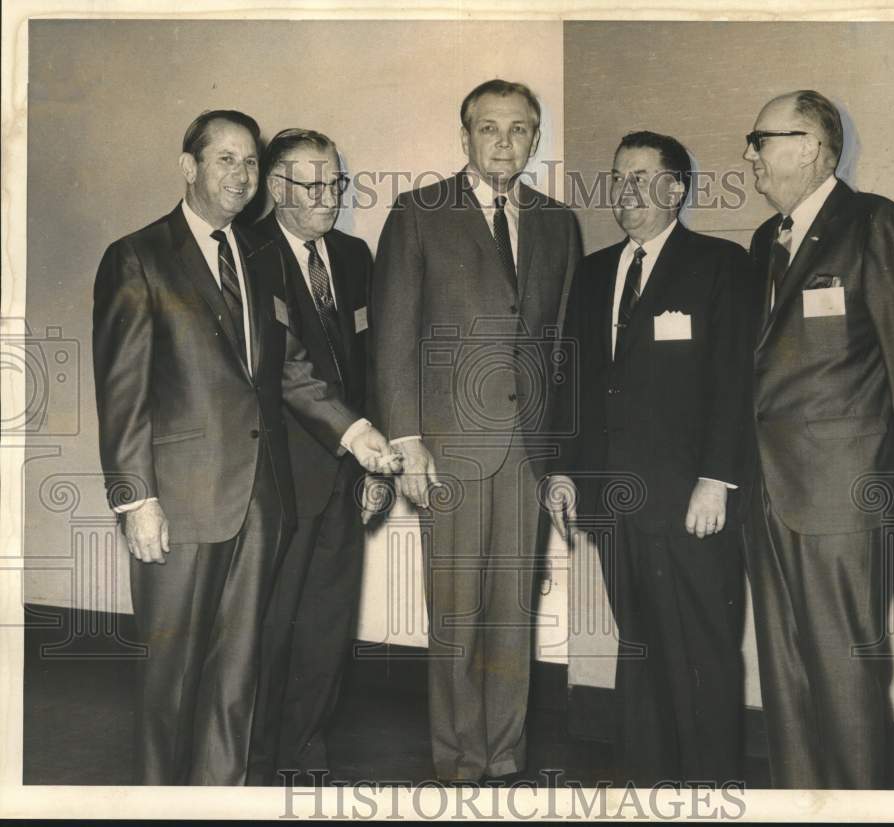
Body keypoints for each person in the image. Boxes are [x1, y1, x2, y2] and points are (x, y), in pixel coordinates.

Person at [92, 110, 398, 786]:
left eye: (249, 163)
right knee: (170, 682)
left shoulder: (253, 260)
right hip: (178, 504)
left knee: (234, 684)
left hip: (258, 505)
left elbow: (286, 367)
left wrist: (356, 432)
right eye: (224, 158)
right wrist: (135, 497)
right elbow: (122, 394)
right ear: (189, 167)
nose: (239, 174)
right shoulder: (137, 256)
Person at [741, 90, 894, 788]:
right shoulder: (764, 241)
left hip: (845, 497)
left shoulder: (874, 225)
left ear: (809, 145)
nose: (750, 153)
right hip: (769, 495)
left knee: (842, 676)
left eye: (761, 138)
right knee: (786, 678)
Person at [370, 79, 582, 782]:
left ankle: (504, 751)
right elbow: (394, 336)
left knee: (510, 615)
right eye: (488, 128)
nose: (503, 142)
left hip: (526, 449)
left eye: (519, 129)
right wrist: (405, 441)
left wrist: (559, 457)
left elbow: (559, 346)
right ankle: (459, 757)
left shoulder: (557, 222)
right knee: (456, 614)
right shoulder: (418, 213)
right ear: (465, 137)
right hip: (450, 450)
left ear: (534, 137)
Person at [546, 131, 753, 786]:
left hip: (691, 500)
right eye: (618, 178)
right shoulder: (596, 270)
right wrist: (562, 469)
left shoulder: (720, 265)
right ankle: (649, 787)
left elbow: (734, 381)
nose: (626, 191)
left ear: (676, 188)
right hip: (615, 500)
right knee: (637, 650)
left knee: (704, 654)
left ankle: (712, 790)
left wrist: (717, 478)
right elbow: (574, 379)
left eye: (641, 177)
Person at [247, 128, 373, 783]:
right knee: (271, 625)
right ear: (275, 188)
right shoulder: (248, 254)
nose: (329, 198)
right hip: (280, 479)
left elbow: (368, 361)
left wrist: (372, 455)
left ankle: (305, 747)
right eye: (313, 186)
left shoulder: (353, 255)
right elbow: (283, 367)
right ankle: (257, 755)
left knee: (327, 624)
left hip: (348, 477)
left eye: (336, 184)